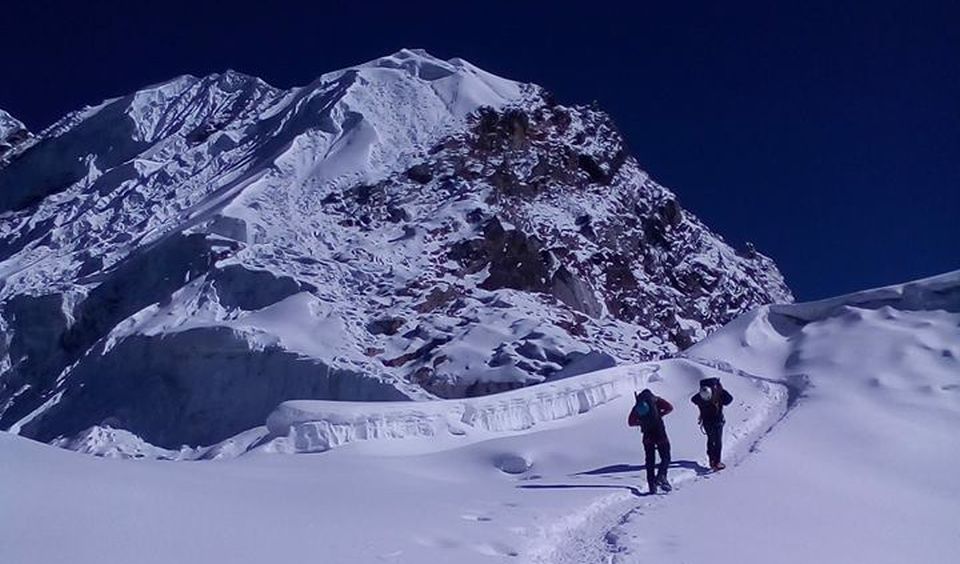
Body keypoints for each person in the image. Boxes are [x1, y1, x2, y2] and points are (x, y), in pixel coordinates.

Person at [628, 388, 674, 493]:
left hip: (647, 436)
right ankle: (662, 476)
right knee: (666, 456)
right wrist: (660, 414)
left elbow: (630, 422)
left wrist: (641, 422)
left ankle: (652, 486)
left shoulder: (638, 405)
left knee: (650, 461)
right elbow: (670, 408)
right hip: (660, 433)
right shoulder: (655, 400)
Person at [691, 378, 734, 470]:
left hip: (706, 422)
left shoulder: (700, 397)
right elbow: (729, 400)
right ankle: (717, 462)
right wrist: (721, 390)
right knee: (718, 441)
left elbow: (693, 399)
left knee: (710, 439)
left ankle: (712, 460)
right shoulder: (718, 394)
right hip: (717, 421)